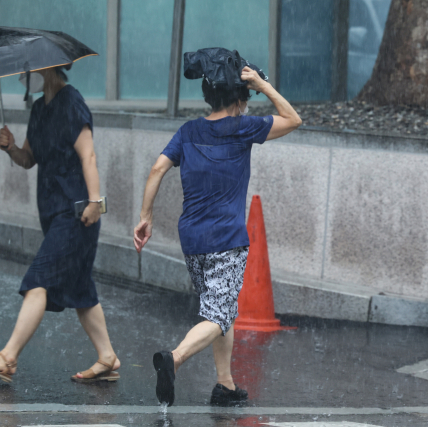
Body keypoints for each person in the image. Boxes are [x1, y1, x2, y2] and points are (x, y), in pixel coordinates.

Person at [133, 48, 302, 406]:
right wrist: (262, 83)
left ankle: (225, 385)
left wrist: (145, 217)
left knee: (221, 307)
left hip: (192, 238)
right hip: (226, 238)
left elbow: (156, 170)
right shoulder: (244, 128)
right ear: (241, 99)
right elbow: (293, 118)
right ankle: (174, 360)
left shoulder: (188, 131)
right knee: (218, 311)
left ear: (209, 96)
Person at [0, 65, 120, 383]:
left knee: (38, 280)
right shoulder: (38, 108)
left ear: (50, 69)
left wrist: (95, 201)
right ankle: (107, 358)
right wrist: (10, 148)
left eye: (30, 69)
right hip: (53, 214)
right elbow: (29, 159)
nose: (24, 75)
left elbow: (88, 155)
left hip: (76, 213)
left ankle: (8, 358)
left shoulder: (71, 102)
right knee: (80, 289)